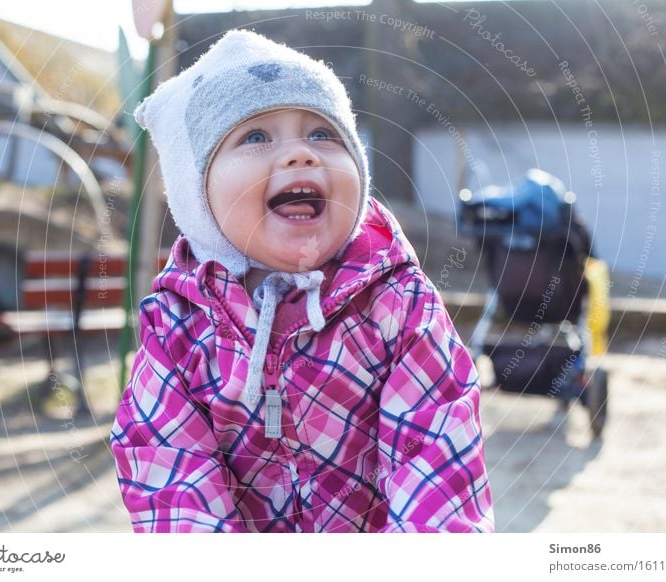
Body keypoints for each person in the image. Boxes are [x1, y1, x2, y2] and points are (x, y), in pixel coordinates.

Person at [110, 29, 494, 533]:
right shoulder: (177, 325)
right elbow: (171, 474)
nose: (301, 155)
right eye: (255, 136)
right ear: (195, 195)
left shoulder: (397, 302)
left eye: (322, 134)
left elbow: (437, 455)